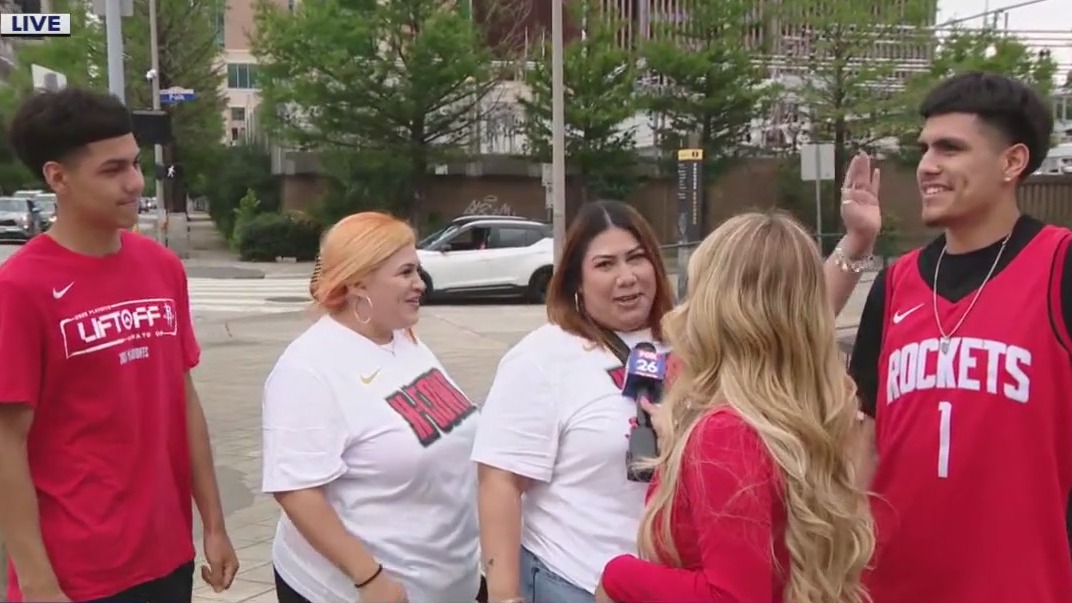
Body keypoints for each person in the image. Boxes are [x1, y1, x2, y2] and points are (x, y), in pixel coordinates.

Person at [473, 188, 880, 603]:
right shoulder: (542, 357)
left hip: (671, 583)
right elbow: (499, 479)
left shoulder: (691, 341)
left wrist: (856, 244)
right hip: (578, 578)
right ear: (575, 279)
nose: (626, 276)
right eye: (605, 264)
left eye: (636, 258)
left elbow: (782, 318)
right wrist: (506, 595)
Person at [0, 88, 238, 602]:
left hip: (166, 554)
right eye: (112, 170)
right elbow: (5, 445)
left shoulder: (161, 267)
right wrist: (36, 579)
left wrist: (213, 523)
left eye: (134, 163)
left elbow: (183, 399)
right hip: (76, 575)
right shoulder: (20, 289)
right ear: (57, 177)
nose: (134, 183)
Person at [848, 71, 1072, 603]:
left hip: (1024, 583)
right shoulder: (896, 283)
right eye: (925, 149)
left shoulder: (1059, 266)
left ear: (1011, 163)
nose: (927, 166)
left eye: (951, 148)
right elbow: (864, 439)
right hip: (891, 584)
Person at [597, 211, 875, 603]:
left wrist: (618, 577)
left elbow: (731, 596)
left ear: (722, 309)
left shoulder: (727, 434)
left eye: (698, 290)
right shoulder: (801, 412)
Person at [262, 211, 481, 603]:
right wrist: (369, 578)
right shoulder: (308, 369)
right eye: (406, 273)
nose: (420, 285)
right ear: (359, 280)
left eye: (418, 271)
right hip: (357, 591)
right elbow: (296, 491)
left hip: (450, 581)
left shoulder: (404, 339)